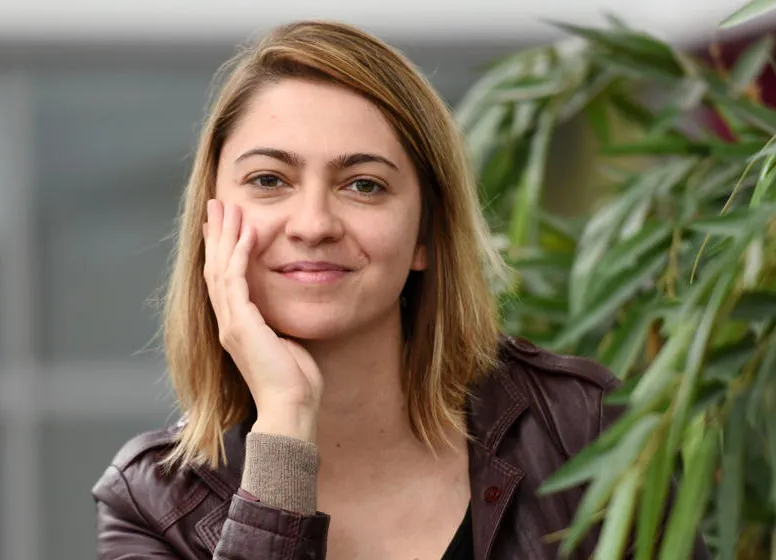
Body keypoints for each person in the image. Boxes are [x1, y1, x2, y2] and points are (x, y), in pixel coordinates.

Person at [93, 20, 701, 559]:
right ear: (213, 220)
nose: (313, 225)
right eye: (270, 179)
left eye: (363, 185)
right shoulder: (151, 504)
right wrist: (283, 428)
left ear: (426, 233)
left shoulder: (579, 426)